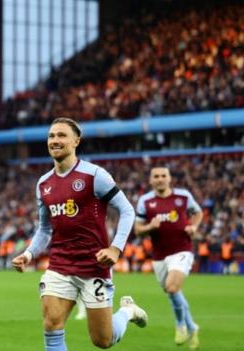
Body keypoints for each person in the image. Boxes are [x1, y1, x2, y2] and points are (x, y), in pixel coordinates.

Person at [12, 117, 147, 350]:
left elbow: (127, 210)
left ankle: (127, 311)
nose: (55, 140)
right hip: (60, 265)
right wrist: (29, 254)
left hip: (93, 265)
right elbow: (45, 228)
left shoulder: (95, 175)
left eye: (62, 135)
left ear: (76, 141)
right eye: (51, 136)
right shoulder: (43, 183)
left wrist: (115, 248)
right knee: (52, 323)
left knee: (103, 340)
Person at [134, 167, 202, 349]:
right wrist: (150, 227)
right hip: (159, 256)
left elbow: (198, 213)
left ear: (170, 178)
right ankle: (192, 327)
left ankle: (180, 326)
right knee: (173, 294)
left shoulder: (183, 197)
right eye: (156, 176)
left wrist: (194, 227)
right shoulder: (145, 201)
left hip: (182, 249)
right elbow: (138, 230)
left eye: (163, 176)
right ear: (150, 180)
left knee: (172, 288)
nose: (160, 179)